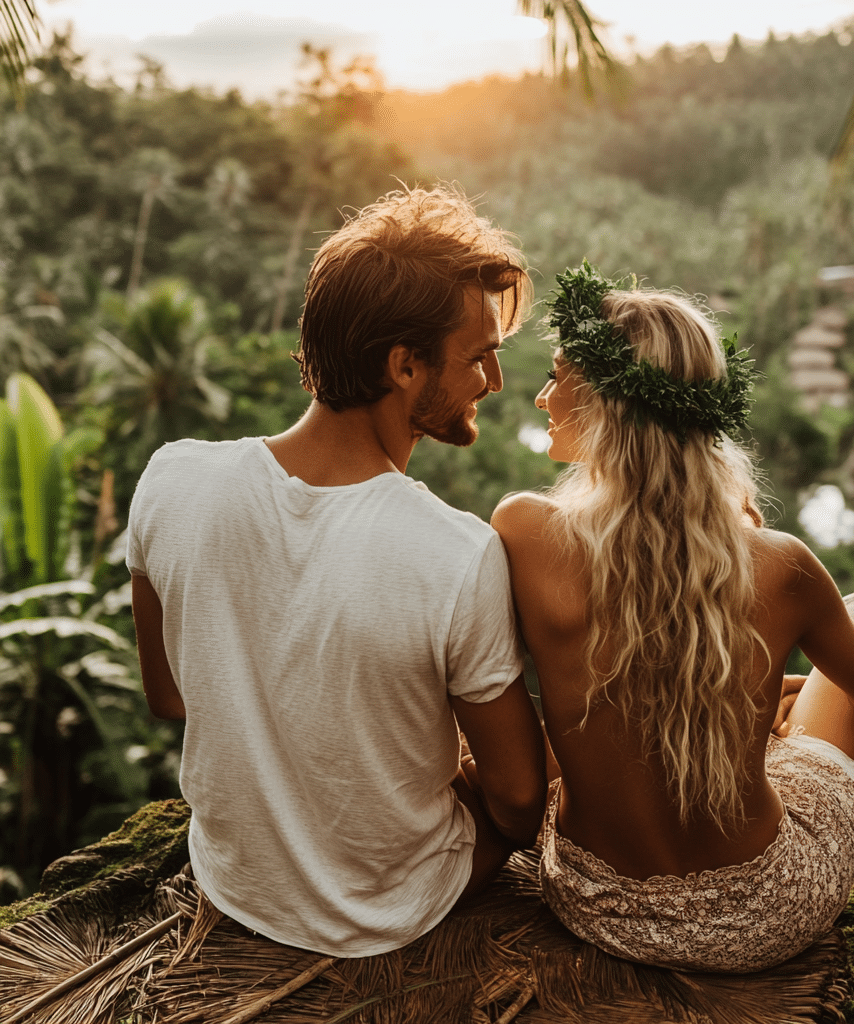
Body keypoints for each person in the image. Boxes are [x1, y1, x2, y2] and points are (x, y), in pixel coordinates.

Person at [127, 185, 548, 958]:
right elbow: (520, 805)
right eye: (480, 356)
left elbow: (169, 695)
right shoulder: (455, 553)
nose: (492, 381)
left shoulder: (171, 479)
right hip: (397, 909)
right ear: (404, 366)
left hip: (235, 881)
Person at [491, 262, 854, 973]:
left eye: (557, 376)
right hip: (761, 915)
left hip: (594, 902)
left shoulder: (524, 531)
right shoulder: (779, 565)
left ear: (604, 400)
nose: (542, 397)